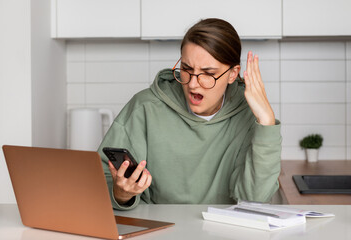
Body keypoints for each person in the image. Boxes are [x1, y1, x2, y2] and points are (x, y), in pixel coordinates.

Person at [97, 18, 282, 210]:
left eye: (208, 73)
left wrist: (267, 123)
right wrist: (121, 194)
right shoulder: (145, 107)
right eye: (186, 69)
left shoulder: (249, 117)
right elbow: (100, 178)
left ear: (233, 74)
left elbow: (255, 199)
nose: (193, 84)